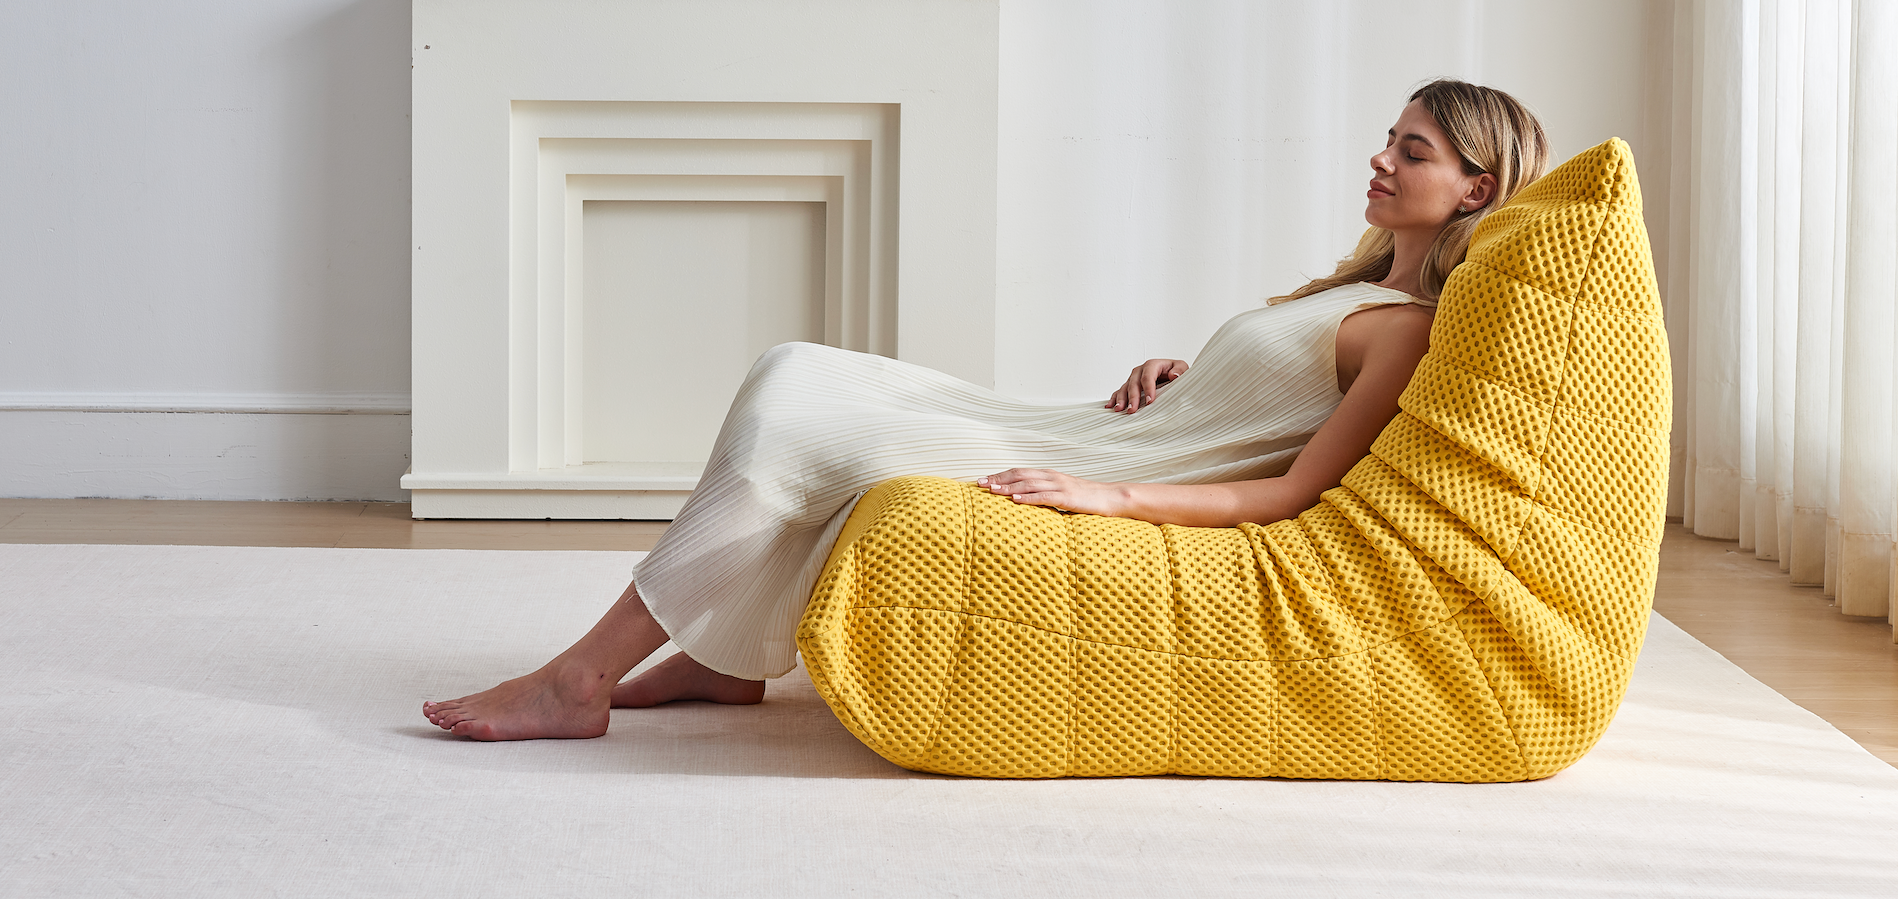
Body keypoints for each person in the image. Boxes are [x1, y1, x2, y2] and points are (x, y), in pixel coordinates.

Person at [422, 78, 1550, 741]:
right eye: (1389, 139)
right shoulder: (1349, 293)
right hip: (1098, 421)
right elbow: (1270, 397)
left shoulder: (1403, 332)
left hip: (1091, 459)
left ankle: (581, 679)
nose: (1379, 157)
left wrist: (1108, 494)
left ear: (1475, 188)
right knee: (796, 367)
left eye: (1412, 150)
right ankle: (722, 656)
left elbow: (1299, 485)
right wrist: (1185, 376)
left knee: (803, 418)